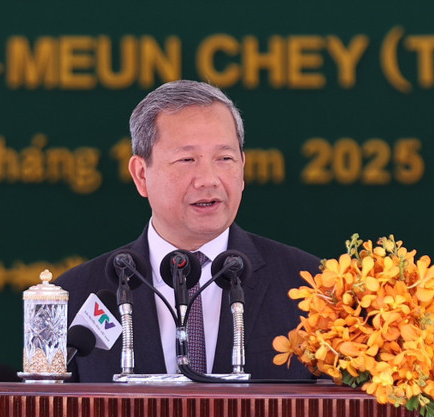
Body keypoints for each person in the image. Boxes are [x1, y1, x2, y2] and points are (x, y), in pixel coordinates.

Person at [55, 80, 320, 382]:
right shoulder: (74, 296)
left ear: (242, 168)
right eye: (187, 159)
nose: (208, 179)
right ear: (141, 175)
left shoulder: (311, 288)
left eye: (225, 159)